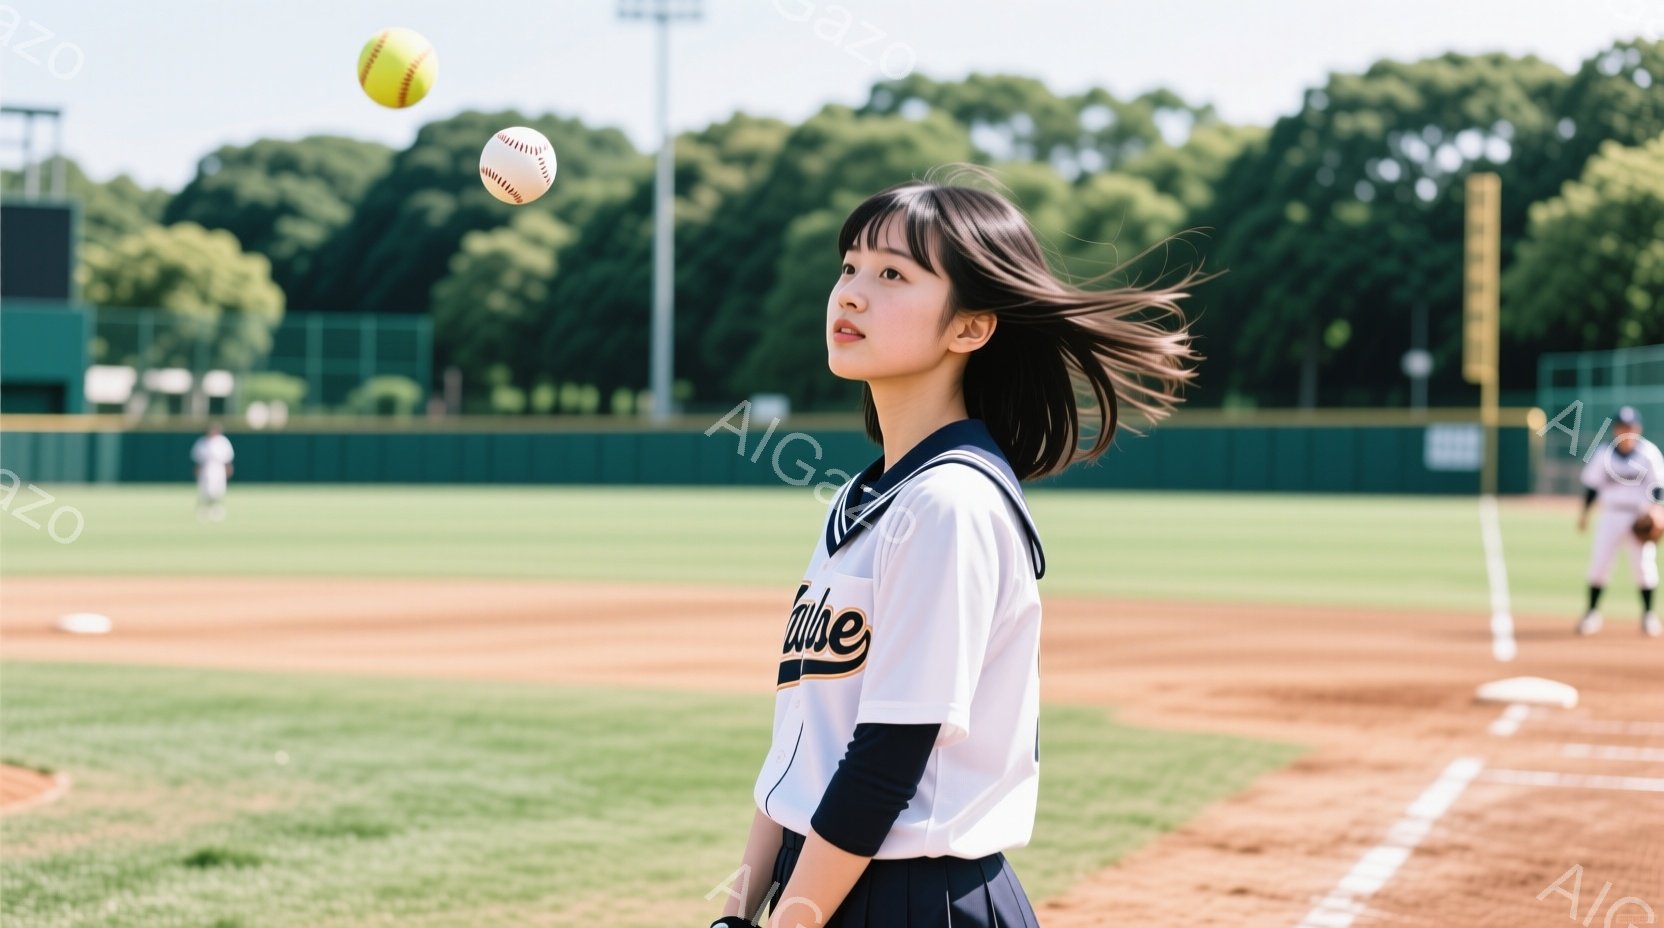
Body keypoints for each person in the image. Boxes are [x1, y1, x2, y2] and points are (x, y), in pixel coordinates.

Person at [708, 168, 1203, 928]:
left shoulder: (951, 503)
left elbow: (884, 763)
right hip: (835, 886)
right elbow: (797, 758)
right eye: (849, 267)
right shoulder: (864, 499)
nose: (850, 292)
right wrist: (737, 911)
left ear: (969, 327)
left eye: (893, 274)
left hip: (916, 900)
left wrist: (790, 924)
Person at [1577, 406, 1664, 637]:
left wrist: (1657, 512)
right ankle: (1592, 613)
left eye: (1630, 426)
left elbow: (1659, 487)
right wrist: (1585, 514)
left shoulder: (1648, 453)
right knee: (1600, 564)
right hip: (1611, 515)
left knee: (1644, 567)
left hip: (1639, 516)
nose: (1626, 430)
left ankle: (1648, 616)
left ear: (1638, 428)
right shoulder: (1603, 453)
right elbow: (1592, 488)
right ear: (1615, 429)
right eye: (1622, 426)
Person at [191, 422, 235, 522]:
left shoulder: (223, 442)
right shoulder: (202, 442)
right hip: (206, 469)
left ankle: (217, 510)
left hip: (218, 469)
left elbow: (227, 460)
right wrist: (197, 471)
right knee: (205, 491)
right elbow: (198, 460)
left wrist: (228, 469)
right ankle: (204, 510)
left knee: (218, 491)